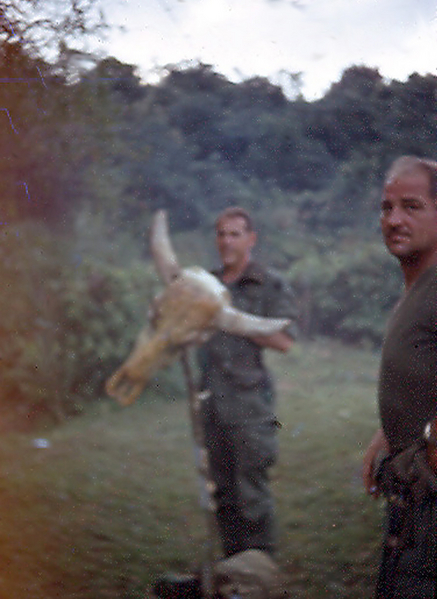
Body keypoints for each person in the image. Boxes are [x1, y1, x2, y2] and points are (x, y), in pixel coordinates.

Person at [197, 205, 297, 560]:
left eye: (234, 233)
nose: (226, 241)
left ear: (251, 239)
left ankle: (259, 576)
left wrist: (232, 320)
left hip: (250, 407)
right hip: (210, 406)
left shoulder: (270, 284)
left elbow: (285, 341)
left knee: (251, 496)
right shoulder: (204, 284)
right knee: (222, 494)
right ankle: (231, 572)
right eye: (221, 233)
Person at [362, 155, 437, 598]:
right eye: (387, 208)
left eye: (411, 206)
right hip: (412, 513)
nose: (394, 219)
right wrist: (388, 431)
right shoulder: (417, 288)